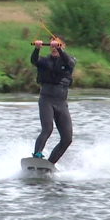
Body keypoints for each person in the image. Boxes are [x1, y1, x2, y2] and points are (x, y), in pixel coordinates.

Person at [30, 35, 76, 164]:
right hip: (46, 100)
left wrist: (60, 49)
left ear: (63, 46)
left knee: (67, 139)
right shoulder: (45, 61)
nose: (54, 48)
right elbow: (34, 61)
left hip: (61, 103)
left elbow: (69, 62)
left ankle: (49, 164)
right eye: (52, 46)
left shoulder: (69, 61)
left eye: (58, 45)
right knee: (47, 129)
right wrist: (37, 49)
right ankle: (37, 154)